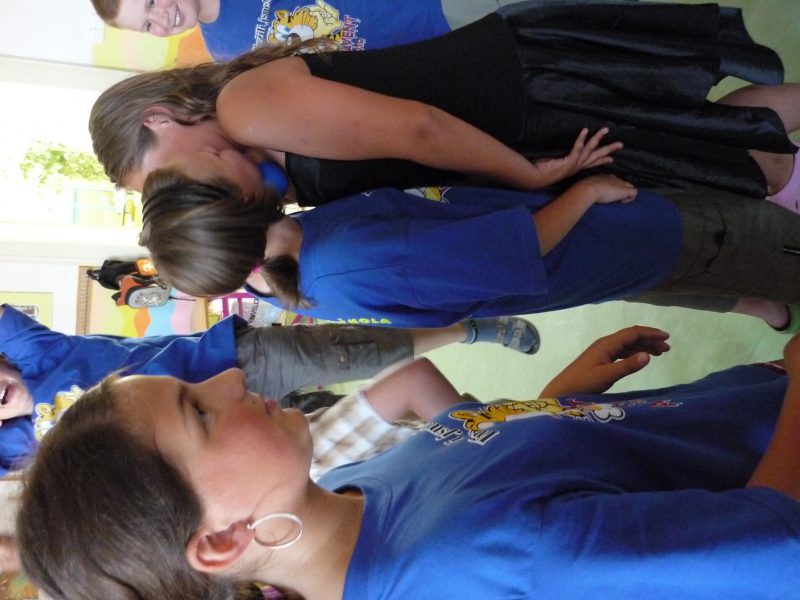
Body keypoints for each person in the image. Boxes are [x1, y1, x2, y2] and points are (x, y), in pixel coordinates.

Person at [16, 325, 800, 598]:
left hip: (747, 408)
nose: (228, 378)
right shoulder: (478, 564)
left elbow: (473, 463)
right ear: (220, 539)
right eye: (198, 412)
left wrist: (557, 400)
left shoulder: (344, 495)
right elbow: (780, 539)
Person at [89, 1, 799, 209]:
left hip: (521, 91)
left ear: (159, 120)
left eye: (160, 175)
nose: (179, 186)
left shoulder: (245, 106)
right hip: (514, 107)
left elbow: (419, 128)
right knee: (713, 139)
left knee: (723, 142)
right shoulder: (245, 137)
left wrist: (528, 174)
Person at [137, 163, 800, 335]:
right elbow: (522, 250)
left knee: (670, 272)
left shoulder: (285, 264)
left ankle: (760, 301)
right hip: (590, 242)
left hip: (587, 259)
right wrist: (587, 191)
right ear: (235, 205)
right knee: (727, 237)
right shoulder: (359, 255)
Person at [0, 303, 538, 476]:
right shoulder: (17, 449)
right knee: (371, 426)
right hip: (238, 447)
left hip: (235, 362)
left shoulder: (41, 354)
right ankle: (487, 423)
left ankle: (464, 331)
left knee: (357, 353)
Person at [89, 0, 524, 60]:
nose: (162, 18)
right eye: (147, 24)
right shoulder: (226, 57)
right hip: (431, 55)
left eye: (151, 1)